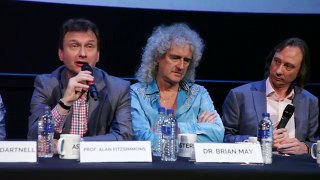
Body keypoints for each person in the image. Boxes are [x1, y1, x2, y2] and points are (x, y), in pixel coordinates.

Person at [27, 18, 132, 145]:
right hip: (58, 163)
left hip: (96, 163)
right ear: (61, 53)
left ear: (98, 55)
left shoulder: (118, 88)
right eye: (74, 45)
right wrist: (65, 103)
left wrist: (73, 145)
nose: (83, 53)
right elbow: (33, 136)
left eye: (89, 46)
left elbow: (124, 137)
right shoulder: (45, 84)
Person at [130, 23, 225, 149]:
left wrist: (173, 128)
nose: (181, 66)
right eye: (175, 58)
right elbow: (143, 140)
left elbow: (217, 135)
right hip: (152, 168)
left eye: (186, 60)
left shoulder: (199, 94)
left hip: (192, 168)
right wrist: (196, 133)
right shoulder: (136, 93)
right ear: (158, 57)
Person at [222, 37, 319, 155]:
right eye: (276, 61)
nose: (278, 70)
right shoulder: (239, 96)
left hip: (295, 169)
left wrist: (306, 148)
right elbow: (224, 138)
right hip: (255, 170)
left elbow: (314, 142)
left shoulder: (310, 101)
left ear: (300, 72)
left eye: (288, 66)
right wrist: (259, 141)